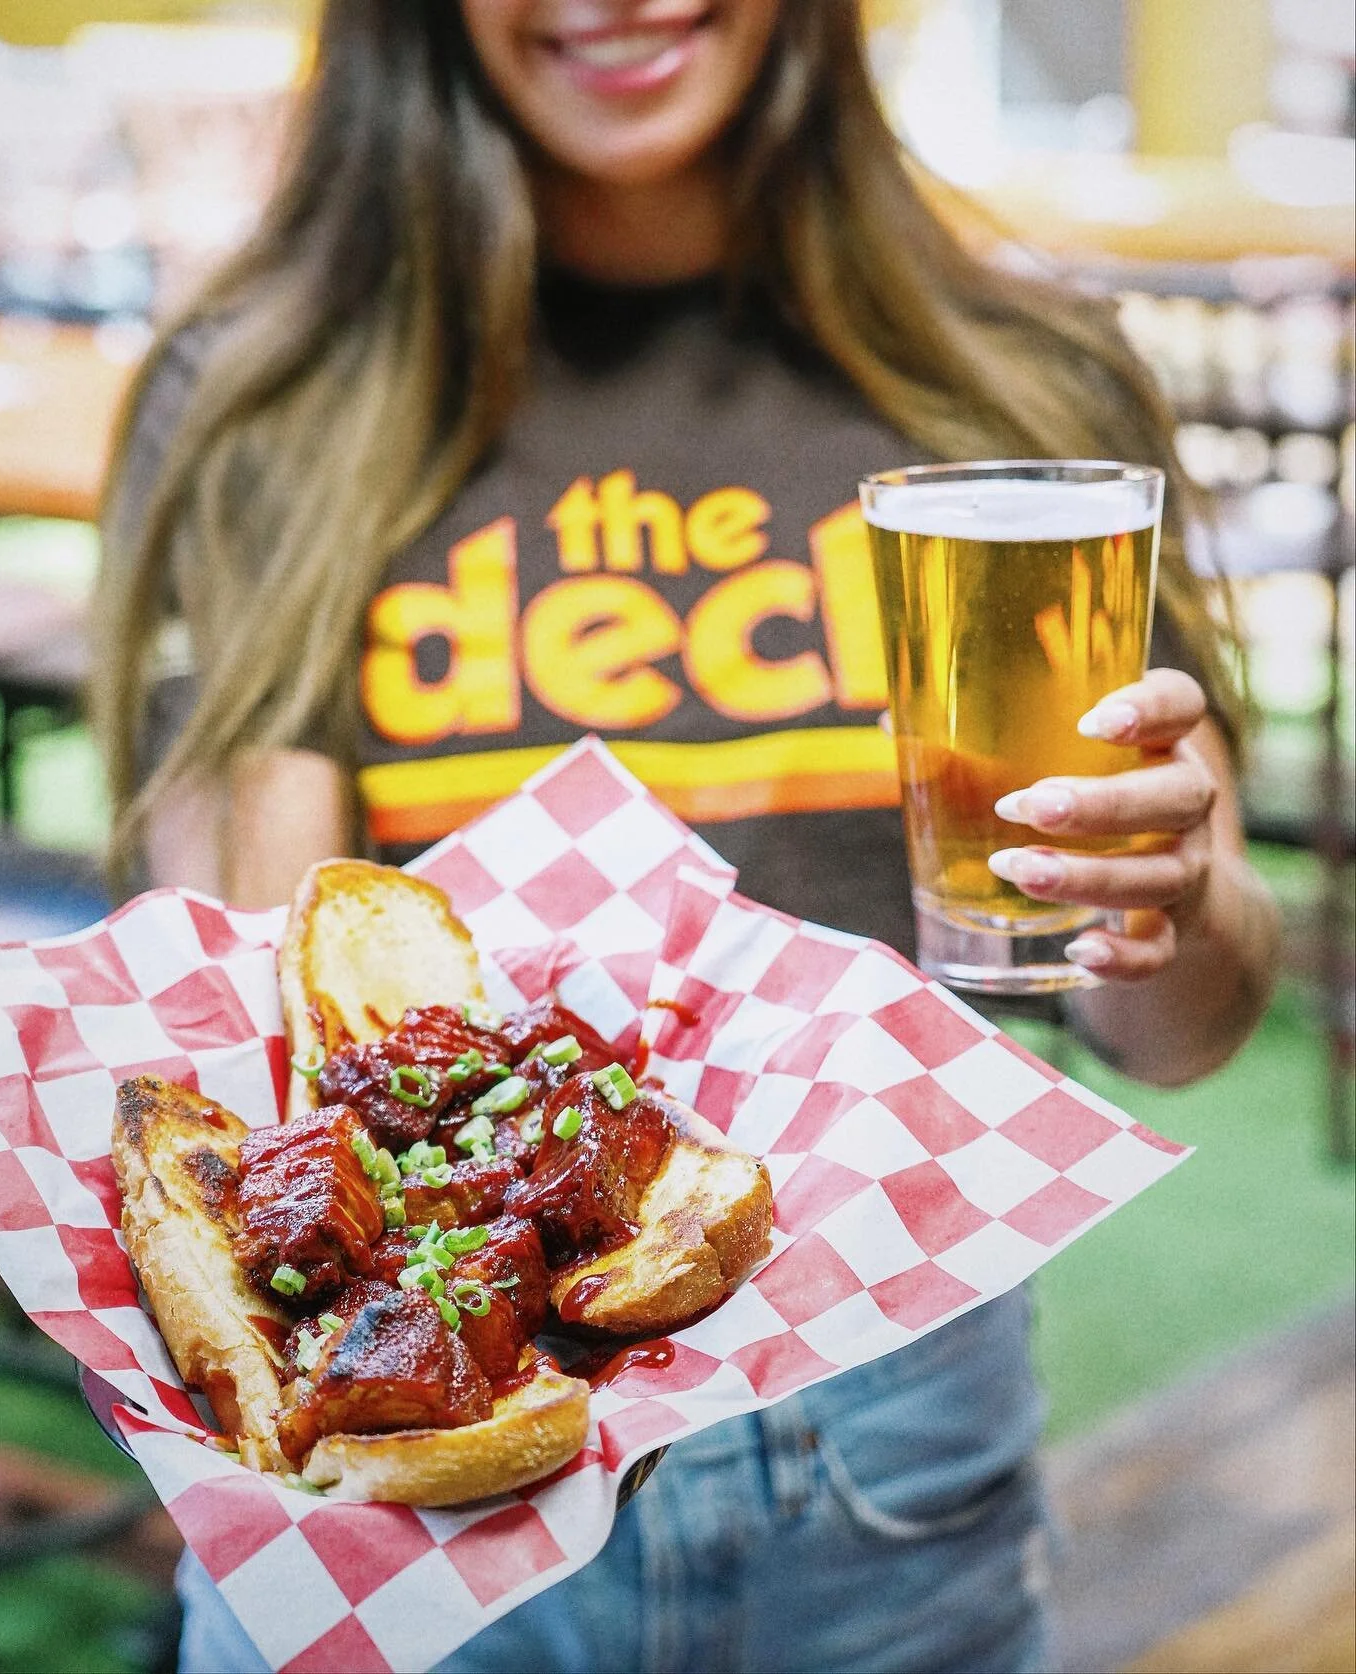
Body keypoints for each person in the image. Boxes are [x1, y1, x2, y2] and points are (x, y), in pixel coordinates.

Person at [93, 5, 1280, 1670]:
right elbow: (262, 1016)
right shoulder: (268, 398)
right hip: (419, 1456)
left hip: (886, 1426)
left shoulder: (1017, 377)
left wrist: (1169, 906)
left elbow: (1183, 1030)